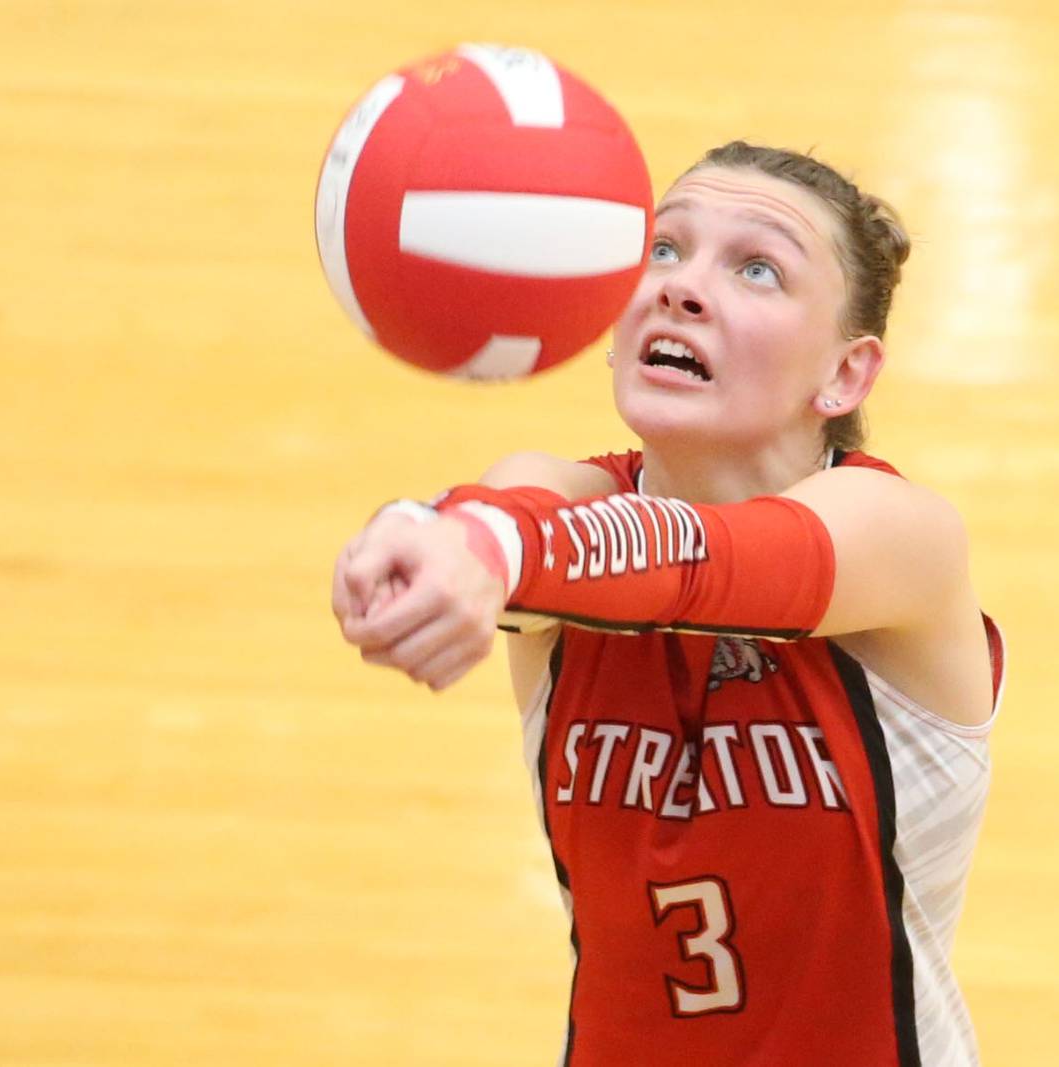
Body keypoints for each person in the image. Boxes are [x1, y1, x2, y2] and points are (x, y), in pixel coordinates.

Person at [332, 141, 1005, 1067]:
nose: (682, 287)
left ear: (845, 375)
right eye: (662, 250)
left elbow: (711, 556)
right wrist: (414, 537)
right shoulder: (550, 499)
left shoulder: (899, 536)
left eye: (757, 268)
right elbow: (499, 512)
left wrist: (486, 547)